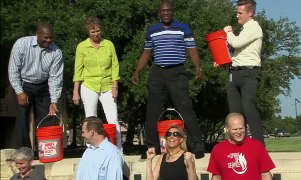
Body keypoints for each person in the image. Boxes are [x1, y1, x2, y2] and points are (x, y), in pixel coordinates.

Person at [131, 0, 204, 159]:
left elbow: (192, 49)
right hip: (158, 73)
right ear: (159, 13)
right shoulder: (152, 31)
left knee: (185, 108)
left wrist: (198, 67)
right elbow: (146, 53)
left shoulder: (183, 28)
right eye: (163, 11)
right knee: (153, 111)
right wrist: (137, 71)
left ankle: (197, 145)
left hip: (177, 72)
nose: (166, 13)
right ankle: (152, 147)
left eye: (168, 10)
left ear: (172, 11)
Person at [214, 0, 265, 144]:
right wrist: (222, 62)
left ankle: (259, 147)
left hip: (249, 74)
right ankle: (236, 146)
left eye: (240, 13)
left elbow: (236, 43)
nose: (237, 16)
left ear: (250, 13)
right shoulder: (243, 31)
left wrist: (229, 32)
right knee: (234, 113)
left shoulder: (254, 27)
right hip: (234, 73)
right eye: (237, 12)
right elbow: (237, 53)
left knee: (248, 108)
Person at [8, 22, 64, 149]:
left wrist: (54, 101)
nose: (48, 40)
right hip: (24, 84)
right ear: (37, 34)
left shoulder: (56, 52)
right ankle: (24, 152)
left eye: (51, 37)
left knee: (47, 119)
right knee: (22, 120)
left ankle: (44, 151)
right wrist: (19, 91)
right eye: (45, 37)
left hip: (44, 86)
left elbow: (55, 78)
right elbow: (13, 70)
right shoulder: (21, 44)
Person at [72, 17, 122, 151]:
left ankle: (118, 148)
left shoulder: (109, 44)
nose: (96, 34)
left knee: (113, 118)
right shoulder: (82, 47)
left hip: (107, 85)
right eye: (93, 31)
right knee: (90, 119)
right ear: (88, 32)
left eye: (98, 31)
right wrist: (75, 91)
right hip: (89, 85)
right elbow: (78, 70)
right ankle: (91, 149)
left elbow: (115, 65)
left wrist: (115, 85)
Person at [207, 113, 275, 180]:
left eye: (241, 128)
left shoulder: (257, 146)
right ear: (227, 128)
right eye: (235, 129)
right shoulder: (218, 149)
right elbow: (216, 176)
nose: (239, 132)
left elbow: (266, 175)